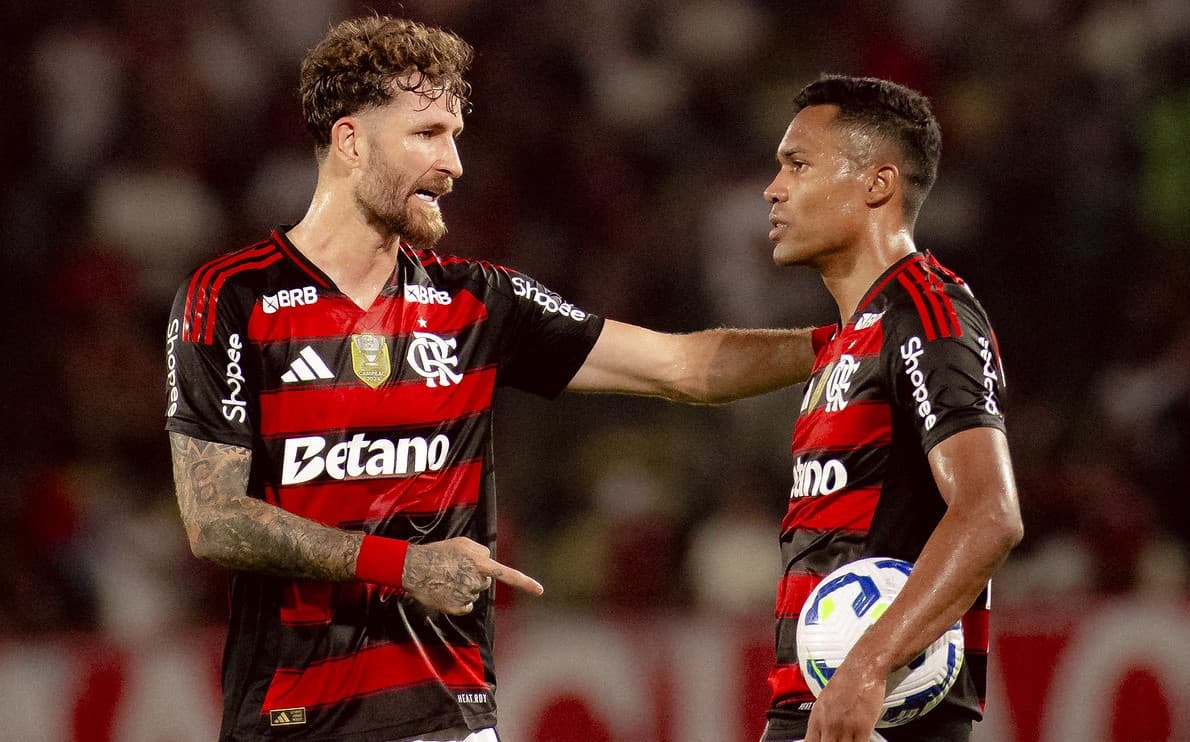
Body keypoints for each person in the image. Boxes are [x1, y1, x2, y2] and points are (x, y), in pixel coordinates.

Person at [165, 15, 817, 742]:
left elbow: (685, 367)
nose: (455, 164)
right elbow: (213, 517)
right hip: (287, 720)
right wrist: (403, 565)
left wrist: (846, 338)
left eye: (456, 134)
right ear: (350, 141)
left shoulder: (476, 300)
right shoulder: (231, 297)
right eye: (427, 134)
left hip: (446, 720)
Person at [759, 75, 1024, 742]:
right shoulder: (854, 337)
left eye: (797, 164)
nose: (774, 188)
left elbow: (990, 512)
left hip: (884, 714)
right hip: (819, 709)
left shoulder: (929, 314)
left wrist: (868, 668)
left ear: (877, 185)